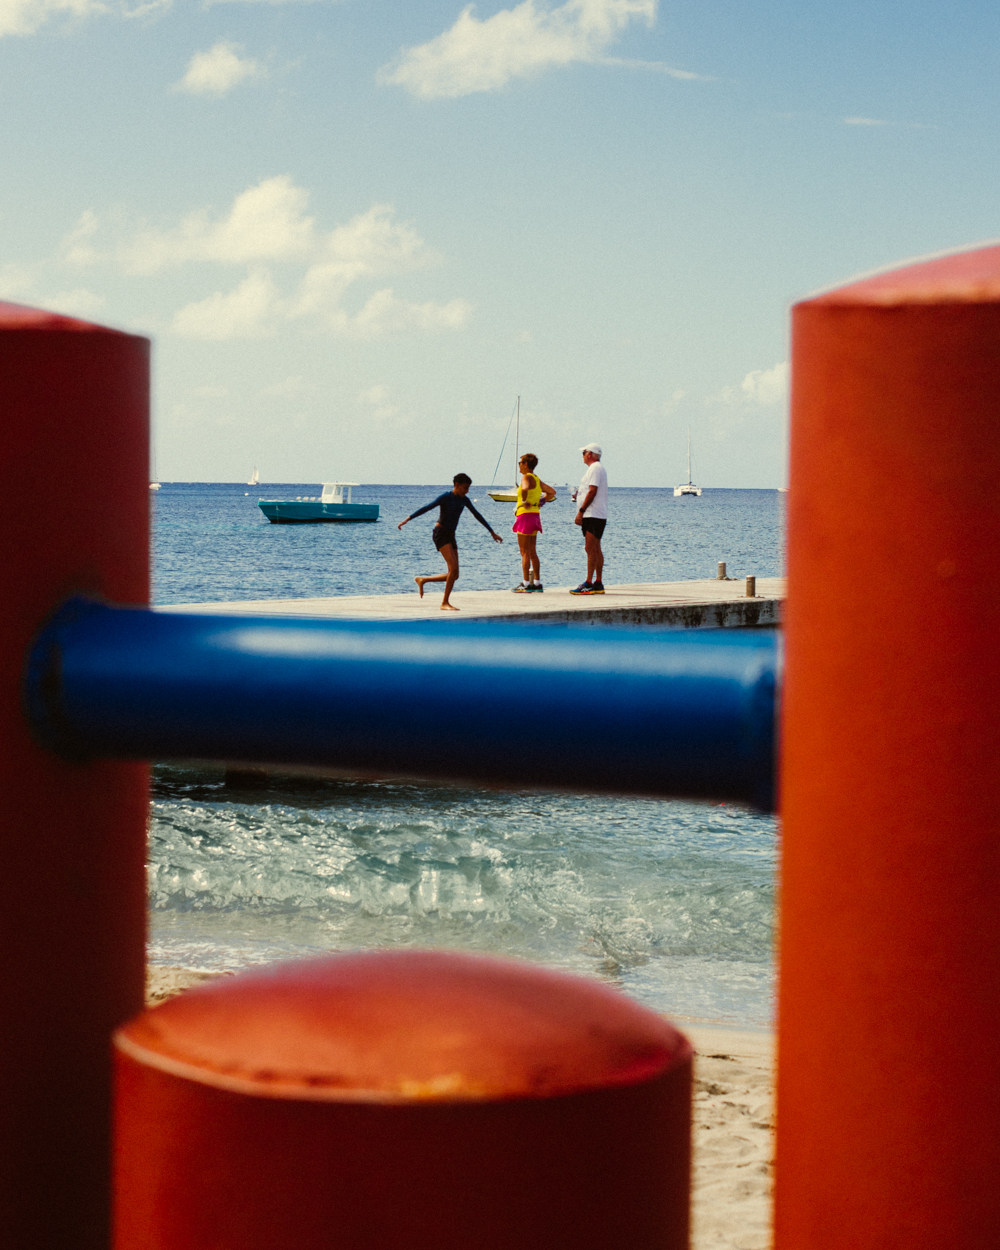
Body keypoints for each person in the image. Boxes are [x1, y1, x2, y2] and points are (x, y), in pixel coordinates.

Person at [398, 474, 502, 610]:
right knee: (453, 570)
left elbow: (477, 515)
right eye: (465, 487)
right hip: (440, 533)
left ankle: (423, 580)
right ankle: (444, 603)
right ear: (457, 485)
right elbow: (427, 507)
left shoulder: (464, 500)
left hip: (451, 535)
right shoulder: (446, 497)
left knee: (455, 574)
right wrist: (408, 519)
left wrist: (491, 532)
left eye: (468, 488)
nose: (467, 491)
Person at [511, 453, 556, 593]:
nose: (519, 465)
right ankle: (537, 583)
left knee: (524, 552)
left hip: (524, 515)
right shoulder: (537, 479)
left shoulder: (526, 477)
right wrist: (541, 501)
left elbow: (524, 488)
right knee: (532, 551)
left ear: (525, 465)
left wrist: (524, 501)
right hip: (535, 515)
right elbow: (552, 492)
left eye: (520, 463)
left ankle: (525, 583)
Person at [570, 443, 608, 595]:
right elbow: (589, 490)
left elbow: (592, 491)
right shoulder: (597, 469)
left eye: (584, 453)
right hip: (596, 513)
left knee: (590, 548)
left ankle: (589, 582)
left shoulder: (595, 468)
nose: (583, 456)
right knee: (595, 548)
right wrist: (579, 495)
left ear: (590, 454)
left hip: (592, 514)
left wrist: (581, 511)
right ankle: (597, 582)